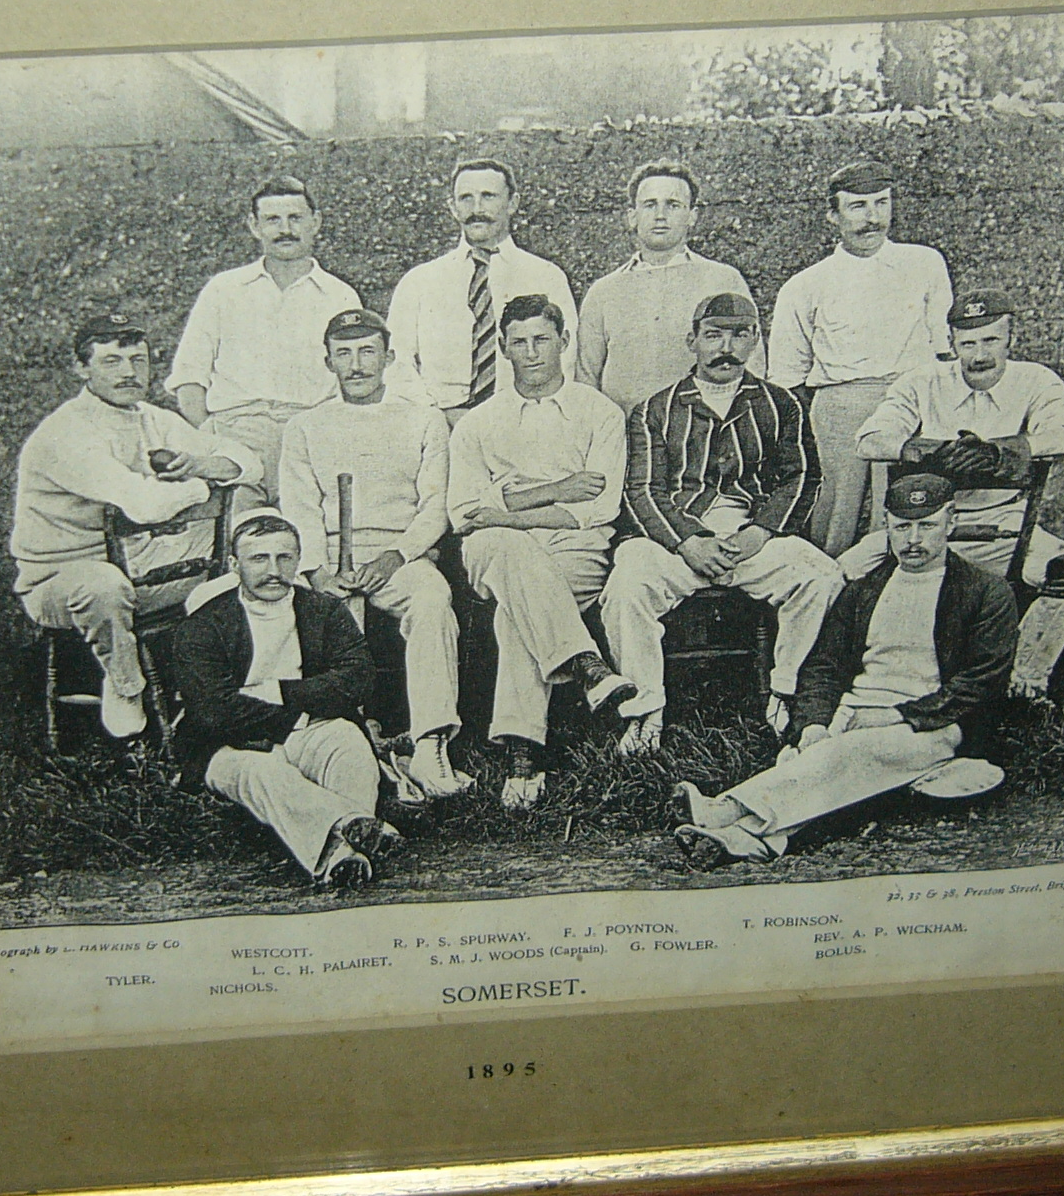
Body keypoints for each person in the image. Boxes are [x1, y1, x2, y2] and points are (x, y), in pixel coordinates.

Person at [670, 474, 1018, 869]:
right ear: (887, 525)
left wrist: (899, 715)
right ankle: (747, 840)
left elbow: (981, 682)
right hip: (853, 713)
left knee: (843, 755)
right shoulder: (863, 590)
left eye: (927, 526)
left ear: (951, 521)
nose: (913, 540)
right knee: (809, 754)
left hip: (934, 724)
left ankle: (726, 807)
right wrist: (813, 725)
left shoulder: (985, 592)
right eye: (902, 527)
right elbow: (824, 666)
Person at [602, 292, 840, 753]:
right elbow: (642, 489)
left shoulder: (781, 404)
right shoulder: (655, 409)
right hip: (675, 540)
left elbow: (802, 476)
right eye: (713, 336)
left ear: (754, 341)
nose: (725, 348)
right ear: (692, 341)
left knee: (821, 576)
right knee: (627, 585)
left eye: (738, 335)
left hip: (752, 536)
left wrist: (760, 532)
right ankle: (645, 710)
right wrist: (688, 542)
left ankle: (787, 694)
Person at [10, 315, 260, 739]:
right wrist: (204, 487)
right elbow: (145, 505)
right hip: (64, 578)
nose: (129, 373)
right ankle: (126, 683)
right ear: (81, 368)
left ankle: (240, 678)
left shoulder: (151, 418)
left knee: (258, 533)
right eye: (112, 362)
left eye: (137, 361)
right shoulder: (65, 434)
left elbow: (250, 462)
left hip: (142, 563)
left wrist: (203, 462)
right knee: (102, 585)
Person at [845, 290, 1064, 699]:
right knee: (841, 573)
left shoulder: (1035, 380)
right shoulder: (923, 382)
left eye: (991, 340)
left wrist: (1004, 451)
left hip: (1007, 528)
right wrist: (928, 451)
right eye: (968, 343)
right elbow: (869, 440)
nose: (980, 355)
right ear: (952, 343)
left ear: (1011, 337)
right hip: (926, 528)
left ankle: (1024, 681)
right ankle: (856, 675)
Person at [449, 295, 638, 809]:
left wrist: (505, 506)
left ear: (564, 342)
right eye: (519, 342)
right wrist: (557, 489)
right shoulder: (477, 423)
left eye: (542, 340)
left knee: (518, 611)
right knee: (511, 554)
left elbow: (598, 508)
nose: (531, 353)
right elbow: (463, 513)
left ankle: (523, 753)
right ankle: (586, 664)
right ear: (503, 348)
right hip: (493, 550)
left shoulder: (599, 413)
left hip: (574, 548)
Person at [279, 308, 471, 803]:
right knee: (308, 623)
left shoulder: (423, 419)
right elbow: (299, 508)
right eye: (343, 354)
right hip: (329, 559)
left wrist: (395, 556)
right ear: (328, 362)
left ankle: (430, 744)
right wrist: (318, 572)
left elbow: (436, 506)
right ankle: (341, 750)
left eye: (367, 352)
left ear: (389, 357)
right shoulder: (305, 426)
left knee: (432, 600)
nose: (356, 364)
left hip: (399, 557)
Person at [167, 514, 400, 889]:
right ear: (234, 565)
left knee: (349, 742)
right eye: (259, 559)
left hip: (306, 729)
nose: (273, 571)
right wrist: (298, 712)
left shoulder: (324, 611)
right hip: (229, 746)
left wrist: (281, 692)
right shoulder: (204, 625)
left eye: (284, 558)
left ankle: (346, 853)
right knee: (264, 772)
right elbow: (213, 711)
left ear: (298, 560)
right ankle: (347, 831)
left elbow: (358, 679)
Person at [767, 159, 954, 556]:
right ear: (833, 215)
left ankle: (906, 583)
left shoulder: (925, 263)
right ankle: (829, 582)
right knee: (835, 515)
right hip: (840, 408)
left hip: (913, 402)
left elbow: (943, 348)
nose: (873, 218)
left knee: (908, 507)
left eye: (881, 203)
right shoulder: (805, 285)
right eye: (858, 207)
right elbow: (787, 377)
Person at [165, 174, 362, 499]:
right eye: (273, 220)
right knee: (239, 526)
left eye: (295, 218)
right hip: (235, 435)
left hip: (308, 435)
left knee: (308, 526)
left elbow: (354, 379)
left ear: (315, 222)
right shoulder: (224, 290)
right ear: (254, 226)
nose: (285, 229)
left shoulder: (339, 296)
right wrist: (209, 438)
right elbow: (189, 376)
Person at [386, 158, 578, 421]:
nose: (476, 209)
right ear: (453, 208)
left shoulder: (546, 276)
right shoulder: (419, 282)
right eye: (466, 198)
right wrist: (437, 417)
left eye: (488, 196)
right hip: (441, 426)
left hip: (525, 422)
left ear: (512, 203)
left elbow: (566, 359)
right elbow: (397, 364)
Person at [575, 160, 764, 409]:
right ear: (632, 216)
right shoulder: (603, 291)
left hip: (705, 426)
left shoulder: (723, 280)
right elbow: (586, 380)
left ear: (692, 216)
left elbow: (752, 362)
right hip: (623, 427)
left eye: (673, 205)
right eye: (650, 205)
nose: (660, 216)